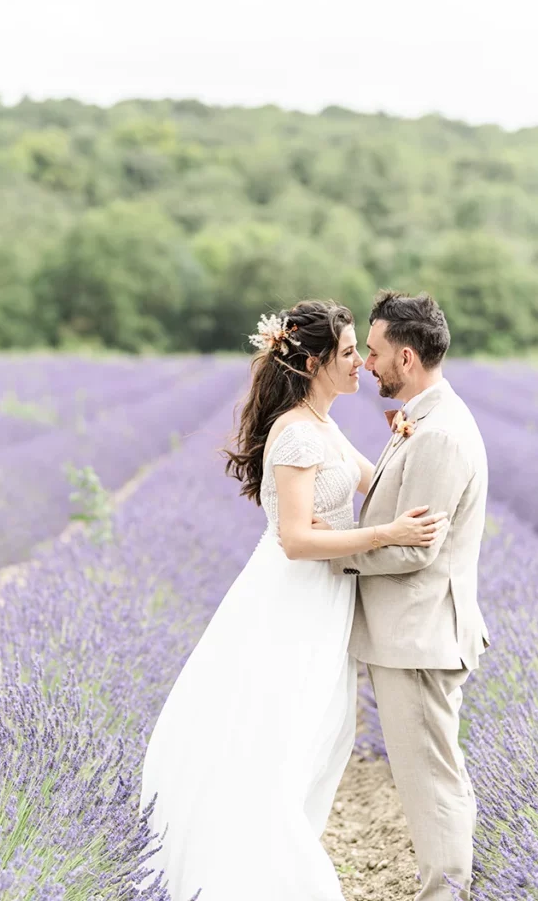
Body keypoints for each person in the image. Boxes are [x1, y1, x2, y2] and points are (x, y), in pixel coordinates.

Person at [138, 297, 448, 901]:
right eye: (352, 352)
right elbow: (296, 539)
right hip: (292, 602)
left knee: (316, 738)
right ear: (314, 364)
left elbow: (376, 481)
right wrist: (388, 534)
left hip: (323, 602)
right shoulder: (295, 433)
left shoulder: (324, 425)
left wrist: (417, 434)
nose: (364, 362)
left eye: (365, 351)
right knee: (276, 738)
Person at [328, 290, 490, 901]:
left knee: (432, 783)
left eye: (372, 353)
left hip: (423, 637)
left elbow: (413, 548)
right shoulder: (423, 420)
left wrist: (330, 553)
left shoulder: (440, 435)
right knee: (433, 778)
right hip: (415, 635)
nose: (367, 364)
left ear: (405, 356)